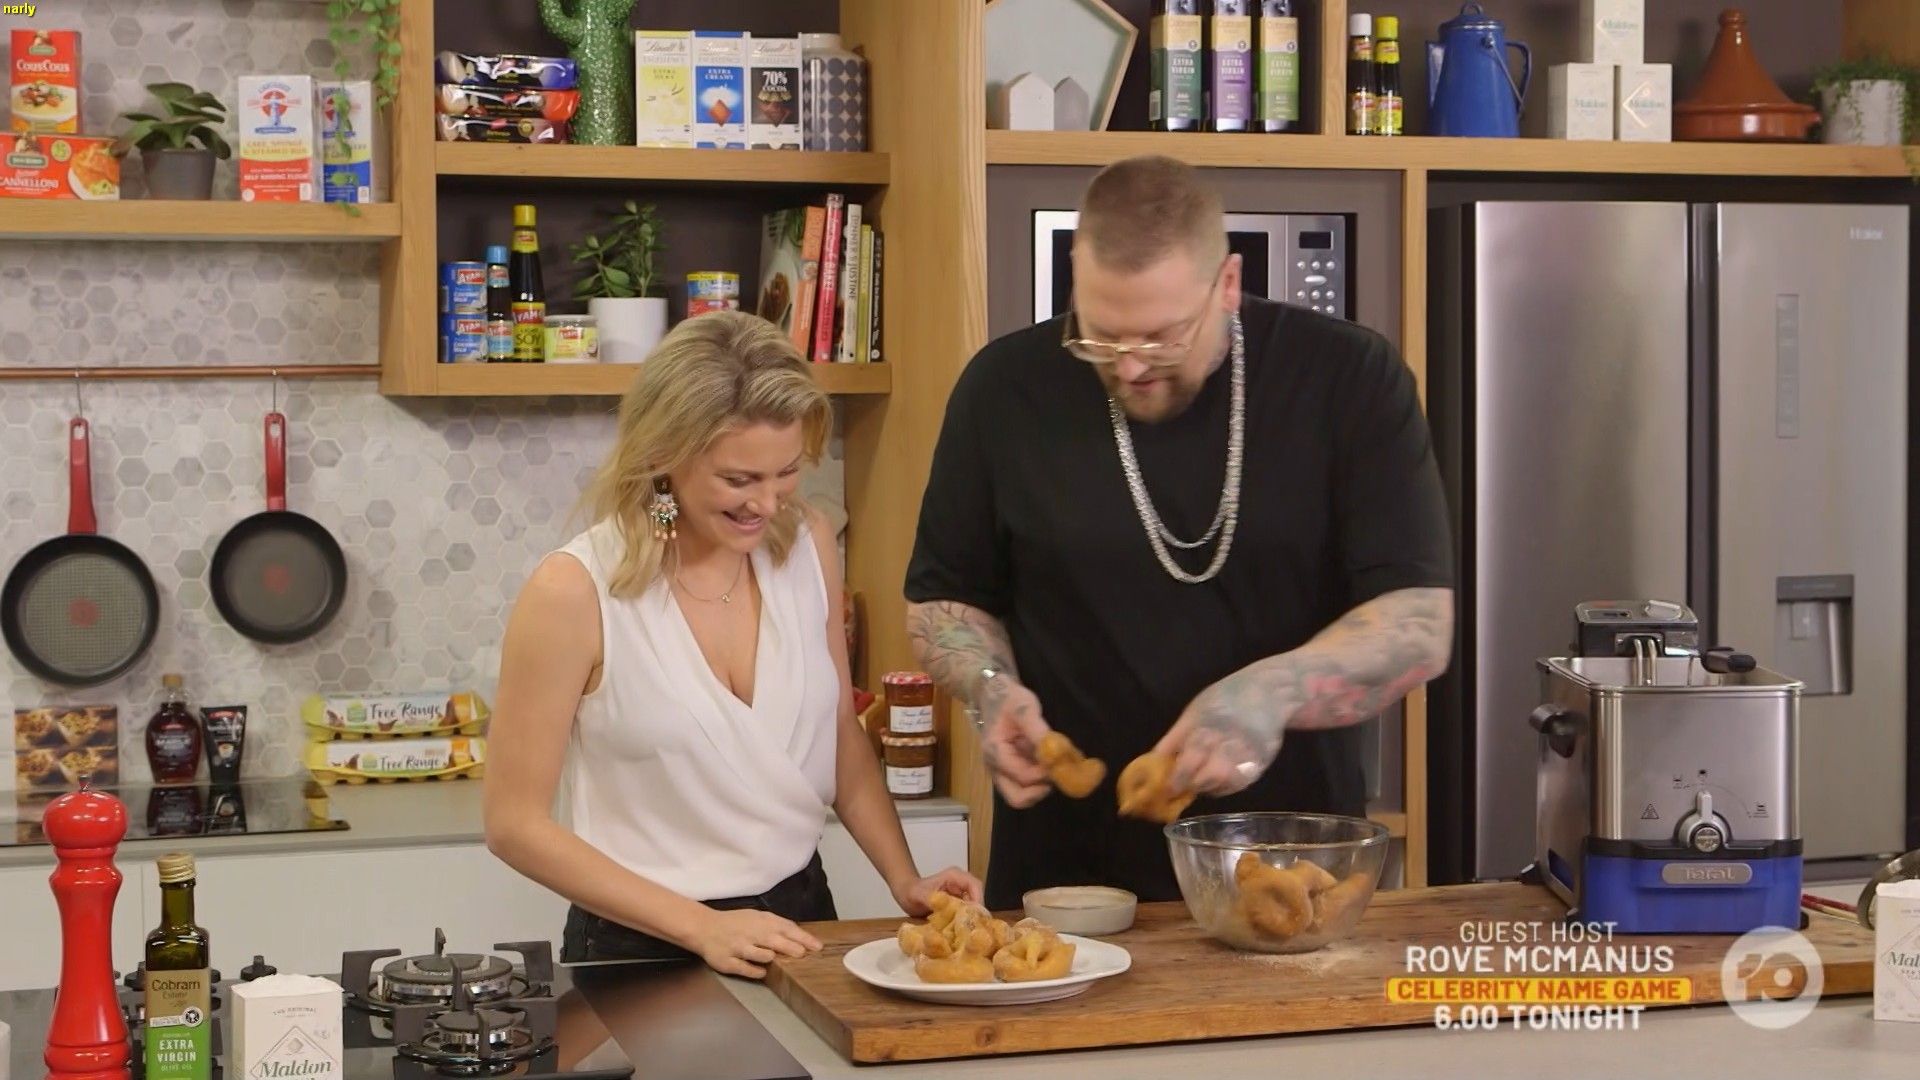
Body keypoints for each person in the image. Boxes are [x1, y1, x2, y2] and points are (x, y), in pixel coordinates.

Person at [905, 155, 1454, 909]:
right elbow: (944, 603)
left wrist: (1270, 692)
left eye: (1162, 339)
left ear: (1227, 285)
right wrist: (991, 690)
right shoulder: (1001, 390)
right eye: (1102, 338)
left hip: (1291, 869)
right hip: (1065, 880)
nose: (1131, 368)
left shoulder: (1349, 378)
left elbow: (1419, 624)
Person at [487, 311, 980, 975]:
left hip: (802, 925)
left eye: (786, 472)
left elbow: (839, 733)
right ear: (663, 455)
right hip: (639, 949)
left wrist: (905, 878)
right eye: (739, 480)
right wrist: (702, 928)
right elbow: (513, 825)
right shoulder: (573, 590)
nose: (768, 504)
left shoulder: (806, 546)